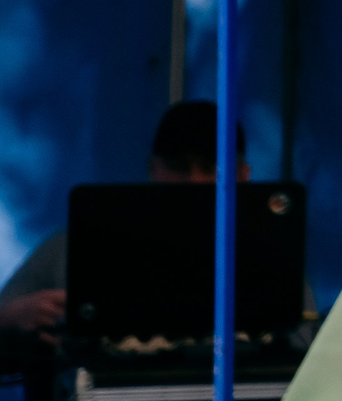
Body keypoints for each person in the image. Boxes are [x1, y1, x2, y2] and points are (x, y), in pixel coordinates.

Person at [0, 100, 243, 338]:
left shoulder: (273, 249)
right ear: (153, 168)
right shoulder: (82, 243)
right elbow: (6, 310)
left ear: (242, 174)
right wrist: (19, 313)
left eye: (211, 168)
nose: (193, 181)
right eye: (177, 166)